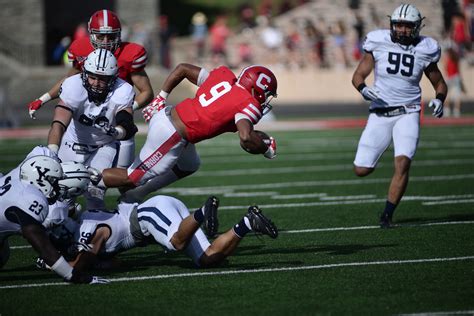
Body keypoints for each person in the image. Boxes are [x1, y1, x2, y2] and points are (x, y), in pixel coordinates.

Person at [91, 63, 278, 204]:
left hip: (167, 116)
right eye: (266, 93)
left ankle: (135, 195)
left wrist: (161, 98)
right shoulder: (248, 103)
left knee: (189, 164)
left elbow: (182, 69)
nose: (264, 100)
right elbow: (246, 138)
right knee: (133, 176)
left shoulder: (224, 77)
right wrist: (264, 148)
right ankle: (85, 180)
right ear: (256, 88)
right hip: (172, 134)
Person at [351, 4, 448, 228]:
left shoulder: (427, 47)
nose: (402, 30)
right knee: (361, 170)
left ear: (417, 27)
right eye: (399, 25)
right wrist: (363, 89)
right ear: (392, 25)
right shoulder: (377, 41)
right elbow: (358, 74)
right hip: (380, 112)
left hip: (409, 111)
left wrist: (439, 99)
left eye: (407, 26)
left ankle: (387, 215)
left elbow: (439, 82)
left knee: (403, 164)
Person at [27, 9, 154, 169]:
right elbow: (69, 81)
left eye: (111, 36)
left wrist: (124, 112)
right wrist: (43, 98)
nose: (106, 41)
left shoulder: (130, 53)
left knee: (123, 177)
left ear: (120, 34)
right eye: (101, 36)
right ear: (91, 34)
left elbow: (147, 92)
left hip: (117, 121)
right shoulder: (81, 48)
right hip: (87, 114)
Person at [63, 195, 277, 272]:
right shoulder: (85, 221)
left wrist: (56, 264)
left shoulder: (85, 227)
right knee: (207, 259)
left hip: (148, 215)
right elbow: (114, 263)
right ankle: (248, 223)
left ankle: (203, 212)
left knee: (176, 244)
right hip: (156, 213)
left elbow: (82, 262)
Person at [46, 48, 138, 210]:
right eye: (92, 77)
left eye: (103, 79)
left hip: (102, 147)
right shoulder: (73, 85)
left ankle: (93, 231)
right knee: (61, 197)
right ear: (84, 74)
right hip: (72, 143)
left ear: (113, 78)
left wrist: (116, 132)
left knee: (94, 194)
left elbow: (127, 125)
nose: (96, 83)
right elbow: (59, 124)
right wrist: (52, 153)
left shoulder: (122, 90)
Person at [0, 146, 107, 284]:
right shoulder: (33, 198)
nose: (57, 187)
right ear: (42, 180)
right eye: (54, 182)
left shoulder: (22, 179)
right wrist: (72, 275)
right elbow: (40, 242)